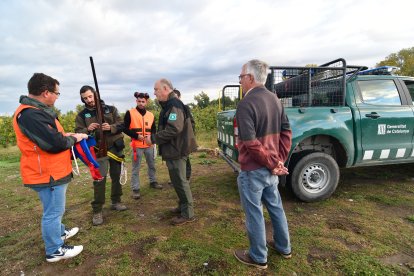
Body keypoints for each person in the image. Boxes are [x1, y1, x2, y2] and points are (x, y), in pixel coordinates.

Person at [12, 73, 86, 262]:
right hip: (47, 173)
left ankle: (60, 233)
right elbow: (53, 143)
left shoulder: (36, 112)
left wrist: (66, 134)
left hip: (51, 171)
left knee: (53, 209)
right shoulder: (30, 114)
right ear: (46, 93)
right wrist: (74, 138)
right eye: (56, 93)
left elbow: (51, 135)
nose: (56, 97)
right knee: (53, 212)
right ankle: (54, 249)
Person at [233, 60, 293, 270]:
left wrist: (272, 163)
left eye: (240, 77)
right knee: (276, 207)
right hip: (270, 168)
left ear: (250, 78)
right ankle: (284, 247)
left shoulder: (246, 104)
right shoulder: (275, 99)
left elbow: (250, 143)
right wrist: (278, 161)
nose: (240, 81)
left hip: (253, 170)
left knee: (254, 213)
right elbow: (287, 132)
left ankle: (259, 257)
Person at [145, 79, 197, 226]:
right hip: (176, 149)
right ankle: (182, 207)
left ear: (165, 88)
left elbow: (174, 129)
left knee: (180, 181)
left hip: (177, 150)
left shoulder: (174, 105)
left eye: (156, 89)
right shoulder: (170, 105)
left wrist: (153, 138)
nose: (154, 93)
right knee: (178, 181)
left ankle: (188, 214)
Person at [75, 85, 127, 226]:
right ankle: (97, 210)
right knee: (99, 179)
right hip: (98, 150)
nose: (88, 100)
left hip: (115, 148)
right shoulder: (81, 115)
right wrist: (87, 129)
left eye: (90, 96)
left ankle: (116, 201)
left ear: (95, 95)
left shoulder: (111, 109)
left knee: (116, 176)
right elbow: (78, 132)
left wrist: (111, 127)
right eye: (85, 98)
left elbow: (122, 124)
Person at [123, 91, 162, 200]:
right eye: (139, 101)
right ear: (136, 101)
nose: (141, 103)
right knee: (136, 168)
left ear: (146, 102)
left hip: (149, 145)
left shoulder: (151, 115)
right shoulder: (130, 113)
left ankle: (153, 182)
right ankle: (135, 189)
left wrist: (152, 138)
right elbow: (124, 128)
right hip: (137, 145)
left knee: (152, 165)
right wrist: (135, 136)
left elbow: (153, 128)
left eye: (143, 101)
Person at [172, 89, 195, 182]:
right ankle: (178, 177)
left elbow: (191, 123)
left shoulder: (184, 108)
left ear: (179, 97)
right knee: (176, 159)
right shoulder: (170, 108)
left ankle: (186, 177)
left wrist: (189, 136)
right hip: (174, 140)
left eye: (175, 97)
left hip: (184, 138)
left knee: (185, 157)